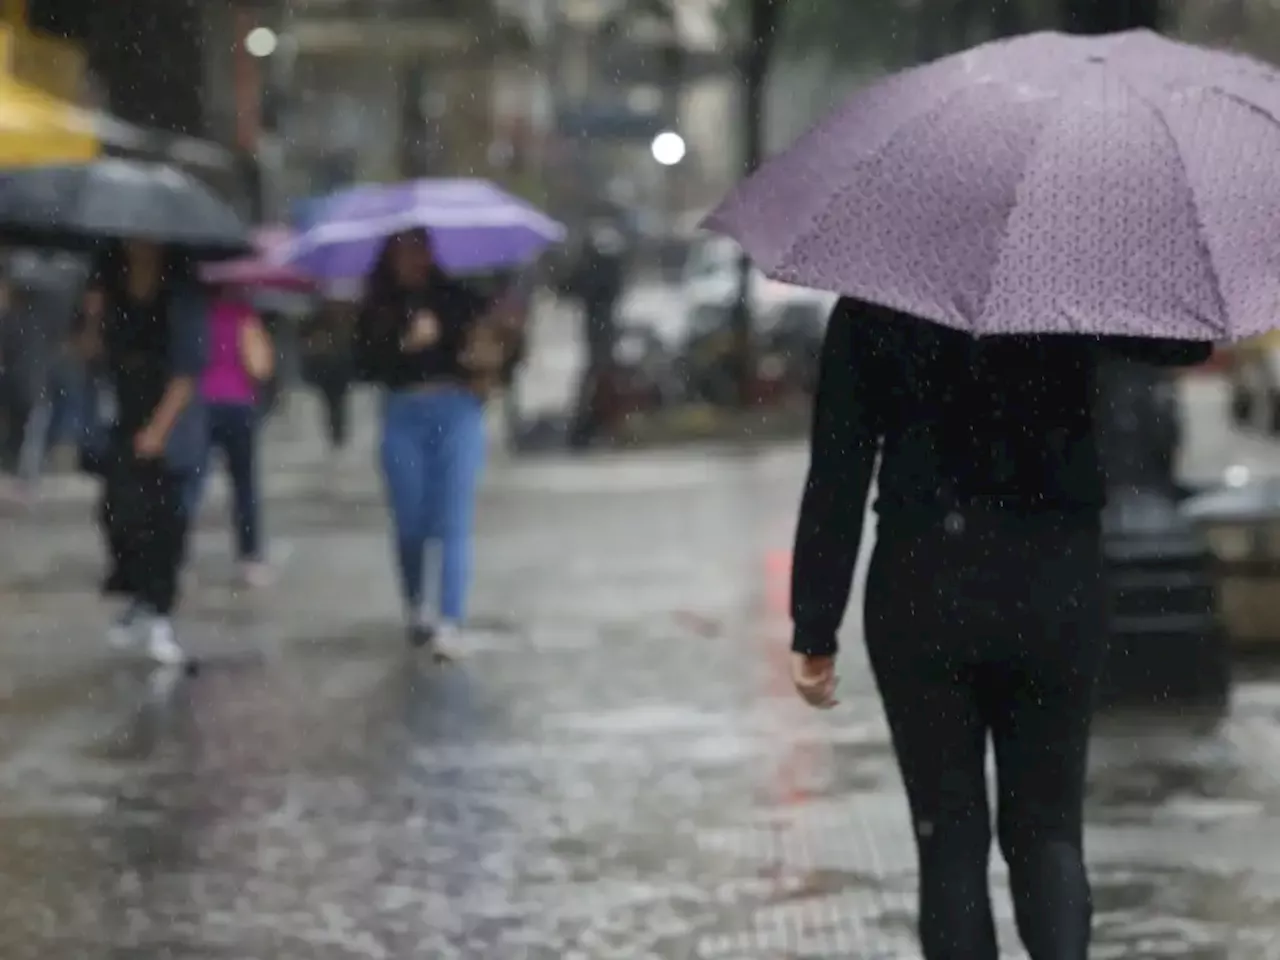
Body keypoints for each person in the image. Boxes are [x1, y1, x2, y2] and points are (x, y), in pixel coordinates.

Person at [787, 299, 1210, 960]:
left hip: (924, 584)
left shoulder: (876, 298)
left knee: (949, 840)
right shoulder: (1066, 284)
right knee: (1049, 832)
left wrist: (815, 624)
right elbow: (1183, 347)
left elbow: (837, 468)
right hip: (1052, 582)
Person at [353, 229, 513, 654]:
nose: (412, 259)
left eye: (419, 248)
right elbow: (362, 365)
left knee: (453, 519)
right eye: (402, 250)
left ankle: (450, 618)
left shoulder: (460, 299)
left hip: (456, 411)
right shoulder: (377, 307)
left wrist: (480, 345)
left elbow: (497, 354)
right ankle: (416, 605)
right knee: (410, 521)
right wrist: (402, 344)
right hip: (403, 413)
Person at [77, 240, 207, 665]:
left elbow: (187, 371)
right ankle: (140, 599)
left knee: (165, 519)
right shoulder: (107, 284)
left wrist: (158, 430)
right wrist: (93, 320)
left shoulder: (182, 291)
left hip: (171, 416)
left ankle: (160, 614)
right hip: (124, 412)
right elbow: (88, 355)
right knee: (118, 511)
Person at [187, 287, 274, 586]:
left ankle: (178, 553)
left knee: (191, 482)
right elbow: (260, 367)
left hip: (200, 404)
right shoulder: (244, 312)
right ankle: (250, 557)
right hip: (239, 404)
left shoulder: (193, 310)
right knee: (244, 484)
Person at [300, 301, 353, 465]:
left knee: (337, 403)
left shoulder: (342, 321)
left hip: (337, 370)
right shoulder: (319, 321)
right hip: (327, 370)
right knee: (333, 403)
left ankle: (338, 432)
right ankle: (336, 432)